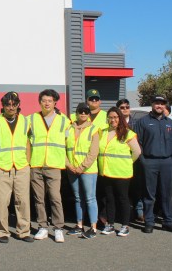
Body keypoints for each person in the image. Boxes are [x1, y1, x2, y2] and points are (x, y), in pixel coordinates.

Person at [0, 92, 34, 243]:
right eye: (8, 104)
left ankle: (24, 231)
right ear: (3, 106)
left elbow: (27, 143)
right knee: (1, 202)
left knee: (23, 201)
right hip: (2, 166)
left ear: (18, 105)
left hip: (21, 166)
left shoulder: (26, 121)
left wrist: (27, 162)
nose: (11, 107)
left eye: (14, 104)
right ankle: (2, 232)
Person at [135, 95, 172, 234]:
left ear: (165, 106)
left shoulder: (170, 123)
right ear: (152, 104)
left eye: (162, 104)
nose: (159, 106)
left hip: (167, 162)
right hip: (150, 162)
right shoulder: (143, 122)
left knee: (167, 194)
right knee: (150, 194)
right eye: (157, 103)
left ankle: (168, 221)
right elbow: (138, 144)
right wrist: (143, 160)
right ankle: (149, 221)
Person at [29, 89, 70, 243]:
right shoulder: (31, 119)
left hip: (54, 164)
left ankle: (58, 228)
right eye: (44, 100)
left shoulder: (64, 120)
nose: (47, 103)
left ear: (55, 103)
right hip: (36, 164)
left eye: (50, 101)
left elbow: (68, 142)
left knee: (55, 197)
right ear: (40, 102)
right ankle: (42, 227)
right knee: (39, 198)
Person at [97, 107, 141, 237]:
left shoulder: (128, 133)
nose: (113, 120)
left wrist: (128, 162)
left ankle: (124, 225)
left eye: (115, 117)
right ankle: (110, 224)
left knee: (122, 199)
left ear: (120, 118)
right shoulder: (103, 132)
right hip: (106, 171)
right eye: (110, 117)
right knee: (109, 199)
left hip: (121, 172)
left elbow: (137, 152)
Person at [65, 102, 100, 239]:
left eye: (86, 111)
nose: (83, 114)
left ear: (89, 114)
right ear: (77, 113)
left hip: (88, 170)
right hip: (72, 169)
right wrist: (69, 165)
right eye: (81, 111)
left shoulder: (94, 129)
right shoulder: (69, 128)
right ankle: (79, 225)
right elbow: (63, 148)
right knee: (78, 198)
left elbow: (93, 152)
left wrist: (82, 167)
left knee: (90, 198)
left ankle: (93, 227)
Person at [117, 98, 142, 222]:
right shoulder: (114, 124)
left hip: (134, 160)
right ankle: (125, 213)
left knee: (136, 187)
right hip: (120, 163)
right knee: (123, 190)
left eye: (127, 107)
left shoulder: (137, 123)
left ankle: (139, 211)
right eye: (122, 107)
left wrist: (131, 160)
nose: (125, 109)